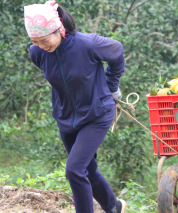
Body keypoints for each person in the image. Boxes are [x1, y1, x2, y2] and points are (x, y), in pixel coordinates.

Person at [24, 1, 127, 213]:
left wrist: (111, 86)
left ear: (59, 28)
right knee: (87, 169)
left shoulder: (87, 44)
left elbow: (116, 50)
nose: (42, 46)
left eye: (44, 40)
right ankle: (113, 207)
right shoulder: (37, 52)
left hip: (97, 114)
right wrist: (39, 46)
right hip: (66, 117)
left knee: (74, 170)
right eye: (35, 41)